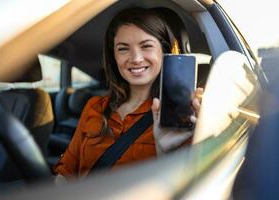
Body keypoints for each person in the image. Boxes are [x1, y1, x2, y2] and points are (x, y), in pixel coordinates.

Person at [54, 7, 203, 180]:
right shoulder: (95, 106)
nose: (136, 58)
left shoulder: (181, 115)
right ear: (114, 56)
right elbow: (66, 174)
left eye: (146, 46)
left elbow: (186, 183)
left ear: (164, 51)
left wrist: (164, 152)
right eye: (123, 49)